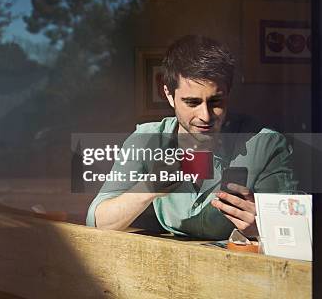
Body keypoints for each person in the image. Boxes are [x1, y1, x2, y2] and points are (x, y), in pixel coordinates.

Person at [86, 35, 296, 239]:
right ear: (169, 95)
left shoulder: (267, 145)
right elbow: (97, 222)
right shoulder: (146, 139)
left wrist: (261, 229)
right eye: (192, 102)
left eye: (216, 102)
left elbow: (292, 233)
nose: (205, 116)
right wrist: (148, 188)